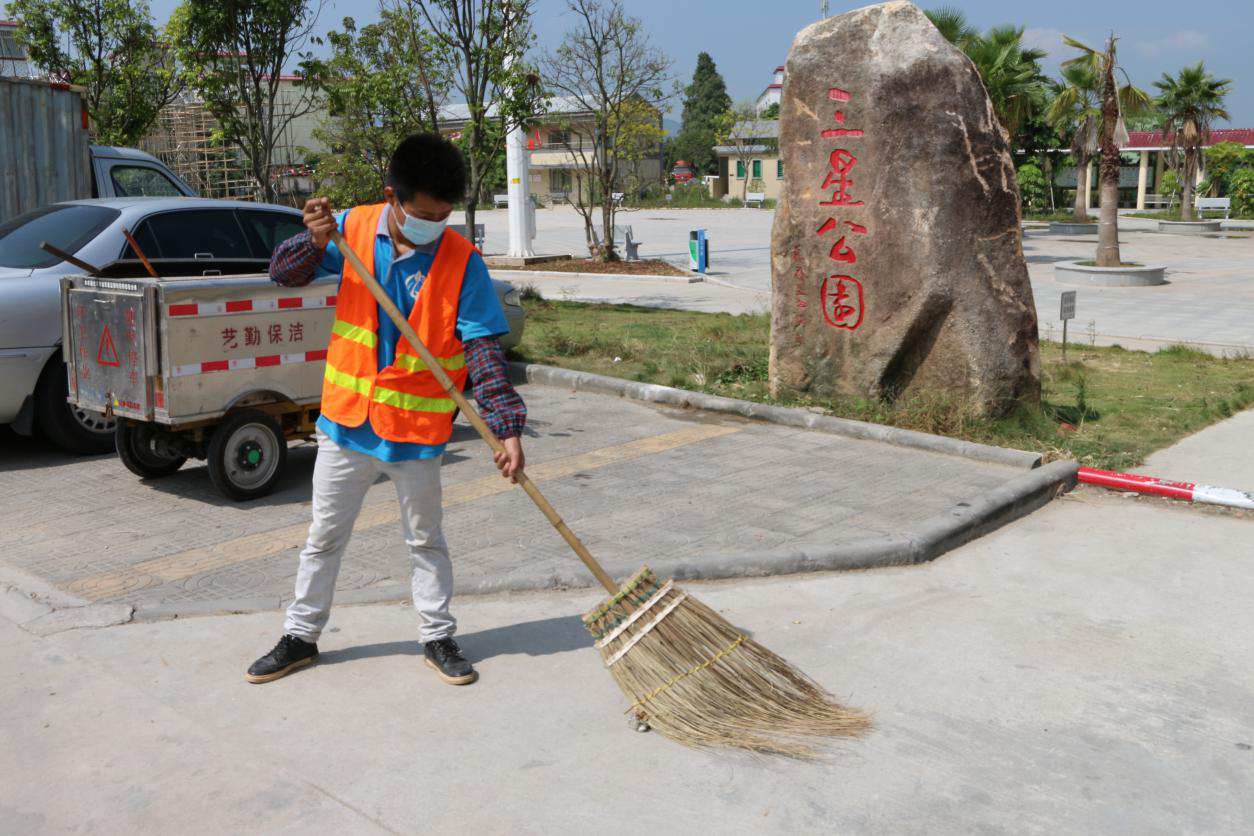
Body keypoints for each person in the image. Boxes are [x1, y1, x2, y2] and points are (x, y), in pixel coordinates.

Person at [245, 133, 526, 686]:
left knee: (426, 539)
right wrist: (310, 238)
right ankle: (301, 637)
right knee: (323, 537)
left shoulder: (462, 261)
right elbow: (284, 271)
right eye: (424, 213)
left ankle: (438, 636)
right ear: (392, 195)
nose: (434, 224)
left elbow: (484, 351)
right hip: (347, 422)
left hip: (416, 432)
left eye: (444, 215)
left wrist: (507, 429)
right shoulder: (350, 228)